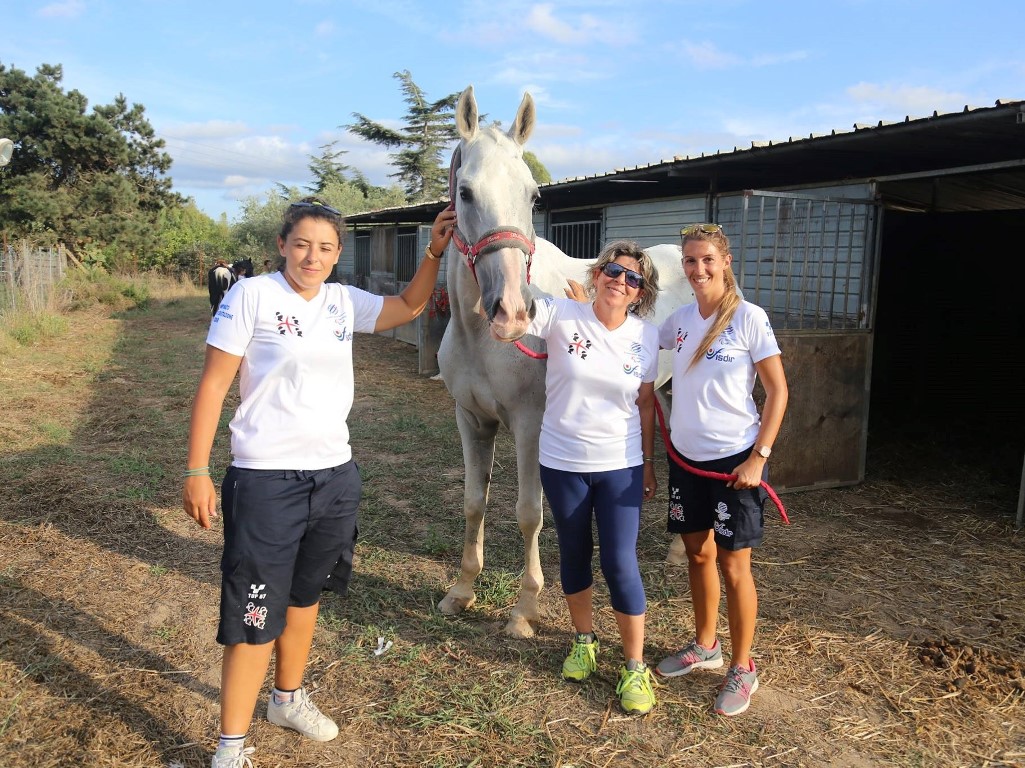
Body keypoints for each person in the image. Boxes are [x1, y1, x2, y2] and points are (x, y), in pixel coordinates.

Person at [183, 198, 456, 768]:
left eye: (326, 247)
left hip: (334, 476)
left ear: (338, 254)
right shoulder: (250, 295)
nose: (313, 256)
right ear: (282, 245)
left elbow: (408, 306)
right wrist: (197, 470)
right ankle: (230, 745)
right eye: (302, 244)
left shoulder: (340, 301)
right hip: (264, 478)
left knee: (305, 596)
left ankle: (286, 699)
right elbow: (212, 386)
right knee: (256, 610)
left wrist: (433, 252)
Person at [514, 240, 661, 715]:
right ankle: (584, 640)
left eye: (632, 278)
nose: (621, 281)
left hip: (620, 464)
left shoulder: (645, 337)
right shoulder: (560, 314)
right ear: (598, 274)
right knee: (574, 553)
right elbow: (512, 314)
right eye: (614, 271)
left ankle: (634, 665)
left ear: (640, 292)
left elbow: (644, 404)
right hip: (562, 462)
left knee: (620, 562)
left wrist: (650, 462)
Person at [654, 223, 788, 717]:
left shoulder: (750, 318)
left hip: (735, 464)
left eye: (707, 259)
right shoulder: (680, 320)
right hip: (686, 461)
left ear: (725, 261)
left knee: (735, 565)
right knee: (697, 554)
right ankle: (706, 645)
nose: (698, 269)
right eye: (690, 261)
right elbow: (636, 336)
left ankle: (742, 666)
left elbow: (778, 391)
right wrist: (587, 306)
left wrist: (759, 457)